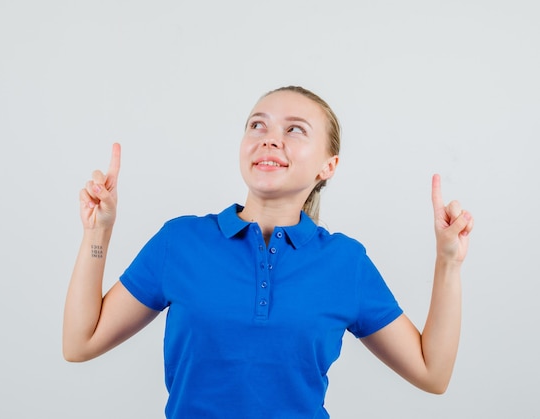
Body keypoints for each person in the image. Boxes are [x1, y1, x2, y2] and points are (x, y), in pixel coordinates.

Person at [63, 86, 474, 418]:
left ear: (328, 166)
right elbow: (80, 343)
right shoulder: (181, 241)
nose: (270, 138)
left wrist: (448, 262)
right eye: (257, 125)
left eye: (295, 130)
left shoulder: (344, 263)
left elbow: (431, 372)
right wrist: (98, 232)